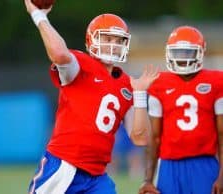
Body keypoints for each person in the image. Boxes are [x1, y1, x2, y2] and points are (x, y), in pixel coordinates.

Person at [24, 0, 159, 193]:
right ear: (91, 40)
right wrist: (39, 16)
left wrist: (139, 96)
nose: (112, 45)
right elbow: (60, 55)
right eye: (106, 39)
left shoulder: (129, 85)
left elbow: (141, 138)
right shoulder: (81, 65)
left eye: (117, 40)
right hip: (63, 166)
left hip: (97, 176)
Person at [138, 26, 223, 194]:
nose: (183, 58)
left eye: (188, 53)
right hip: (169, 165)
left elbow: (222, 135)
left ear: (200, 52)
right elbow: (154, 138)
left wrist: (222, 176)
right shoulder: (158, 84)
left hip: (204, 163)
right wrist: (147, 179)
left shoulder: (216, 82)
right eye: (178, 53)